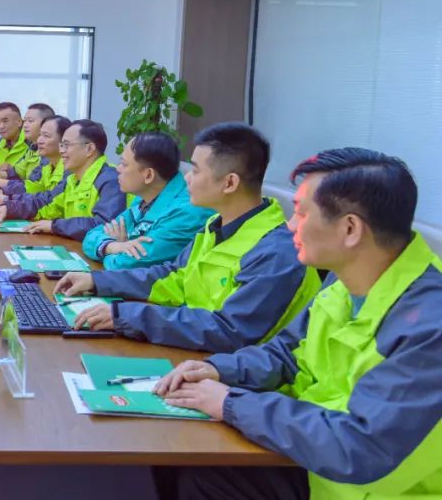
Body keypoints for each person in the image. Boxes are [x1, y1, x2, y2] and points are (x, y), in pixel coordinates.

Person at [152, 148, 441, 500]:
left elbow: (361, 446)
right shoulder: (343, 282)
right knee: (176, 455)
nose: (290, 226)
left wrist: (230, 403)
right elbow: (287, 355)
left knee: (202, 477)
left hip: (357, 484)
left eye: (302, 214)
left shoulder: (429, 325)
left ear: (350, 229)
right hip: (313, 460)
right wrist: (217, 370)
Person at [55, 122, 320, 353]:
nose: (187, 178)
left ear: (229, 183)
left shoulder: (276, 251)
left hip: (231, 374)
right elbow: (173, 277)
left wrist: (128, 316)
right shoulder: (216, 226)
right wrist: (97, 281)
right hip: (195, 351)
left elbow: (230, 331)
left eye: (195, 170)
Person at [81, 132, 213, 270]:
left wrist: (117, 248)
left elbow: (124, 264)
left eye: (124, 164)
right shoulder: (145, 198)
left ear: (148, 175)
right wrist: (112, 246)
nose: (118, 169)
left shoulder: (187, 212)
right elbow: (91, 236)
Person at [0, 119, 126, 241]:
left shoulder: (110, 180)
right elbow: (47, 205)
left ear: (89, 149)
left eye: (66, 145)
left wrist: (55, 226)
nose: (61, 151)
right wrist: (10, 208)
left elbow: (103, 226)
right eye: (61, 145)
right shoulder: (73, 179)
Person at [0, 115, 69, 206]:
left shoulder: (69, 169)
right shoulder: (47, 165)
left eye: (46, 136)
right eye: (40, 135)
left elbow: (50, 199)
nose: (40, 140)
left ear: (63, 141)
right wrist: (4, 191)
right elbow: (33, 187)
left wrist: (7, 199)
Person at [0, 103, 55, 187]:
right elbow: (17, 172)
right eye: (25, 121)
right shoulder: (33, 148)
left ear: (46, 124)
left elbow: (31, 186)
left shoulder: (49, 153)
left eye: (30, 121)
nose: (25, 125)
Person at [0, 102, 27, 170]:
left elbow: (34, 173)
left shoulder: (31, 143)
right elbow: (5, 165)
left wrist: (11, 171)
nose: (0, 126)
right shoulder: (1, 141)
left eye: (5, 121)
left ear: (19, 122)